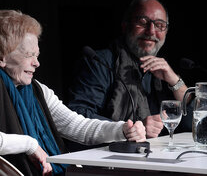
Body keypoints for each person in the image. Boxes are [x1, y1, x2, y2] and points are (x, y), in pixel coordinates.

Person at [0, 10, 146, 176]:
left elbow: (76, 126)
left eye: (37, 55)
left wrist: (121, 130)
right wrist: (29, 144)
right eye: (29, 55)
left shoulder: (36, 89)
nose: (37, 63)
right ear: (3, 56)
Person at [68, 0, 191, 142]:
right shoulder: (100, 62)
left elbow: (192, 122)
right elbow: (78, 115)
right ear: (125, 26)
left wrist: (174, 80)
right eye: (142, 22)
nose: (151, 31)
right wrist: (128, 129)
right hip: (109, 157)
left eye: (159, 25)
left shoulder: (164, 69)